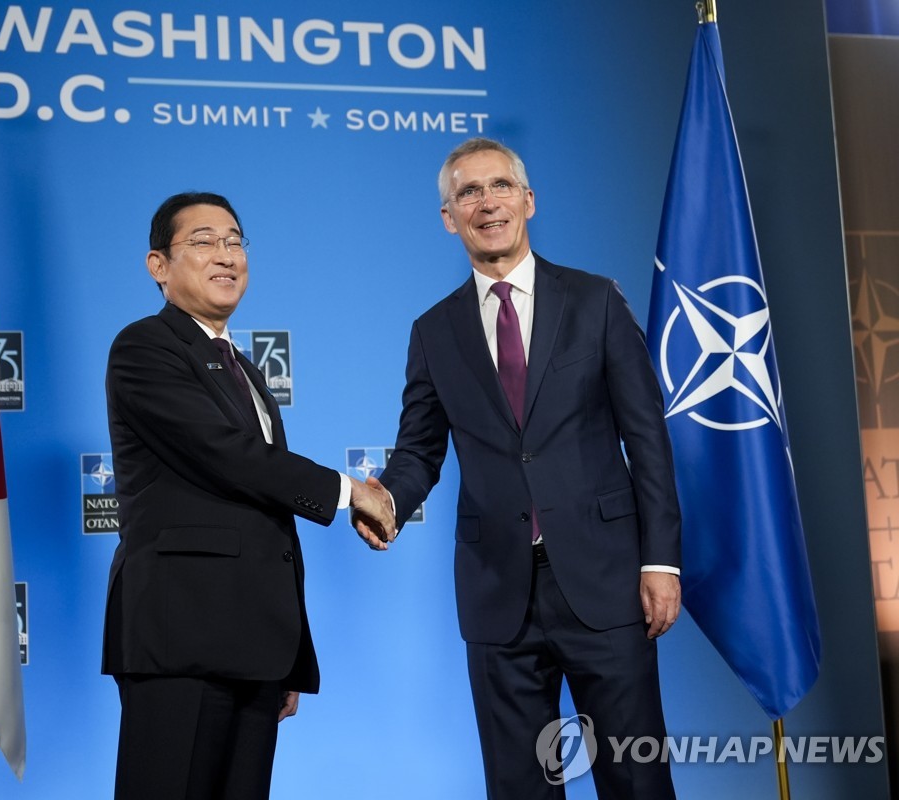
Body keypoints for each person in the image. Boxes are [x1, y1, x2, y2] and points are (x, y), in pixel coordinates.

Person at [362, 138, 682, 798]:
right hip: (497, 592)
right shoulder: (433, 330)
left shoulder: (595, 302)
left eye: (500, 186)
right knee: (521, 787)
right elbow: (420, 448)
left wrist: (661, 561)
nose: (488, 203)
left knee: (636, 779)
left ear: (528, 201)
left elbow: (647, 438)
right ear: (449, 217)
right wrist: (389, 500)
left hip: (605, 582)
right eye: (469, 193)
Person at [102, 191, 396, 800]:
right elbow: (226, 456)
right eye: (203, 241)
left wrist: (286, 654)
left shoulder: (241, 364)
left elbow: (263, 519)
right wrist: (347, 493)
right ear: (158, 265)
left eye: (235, 241)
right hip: (180, 640)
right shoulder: (145, 347)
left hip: (253, 648)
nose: (225, 255)